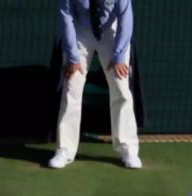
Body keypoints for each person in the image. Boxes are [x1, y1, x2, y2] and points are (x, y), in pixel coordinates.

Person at [49, 0, 141, 170]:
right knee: (71, 87)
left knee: (121, 87)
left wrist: (119, 55)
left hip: (111, 32)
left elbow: (126, 17)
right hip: (80, 31)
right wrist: (72, 57)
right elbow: (66, 16)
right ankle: (65, 150)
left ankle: (128, 149)